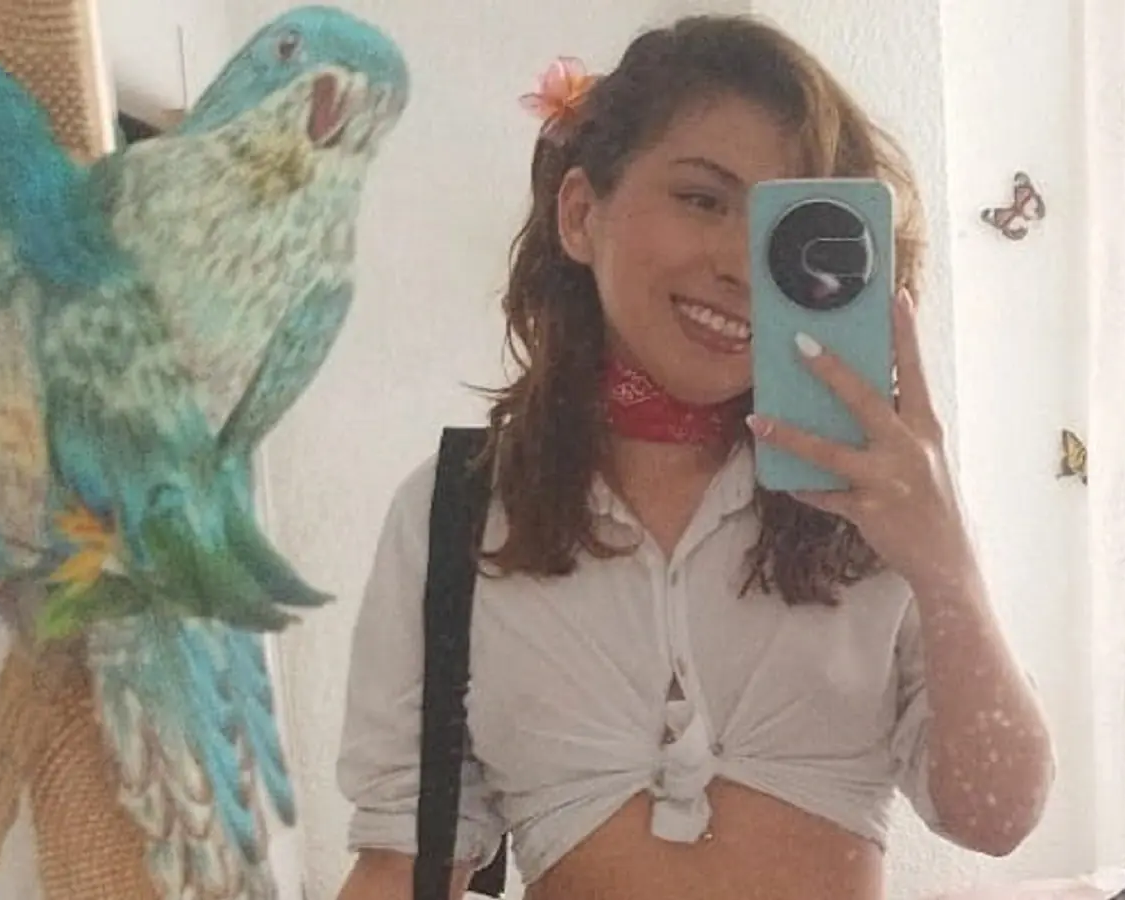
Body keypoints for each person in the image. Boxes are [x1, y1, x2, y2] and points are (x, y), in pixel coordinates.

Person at [333, 14, 1054, 900]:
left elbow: (995, 817)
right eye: (703, 200)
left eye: (783, 228)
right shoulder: (458, 513)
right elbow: (404, 863)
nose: (742, 267)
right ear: (580, 214)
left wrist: (947, 570)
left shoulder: (879, 499)